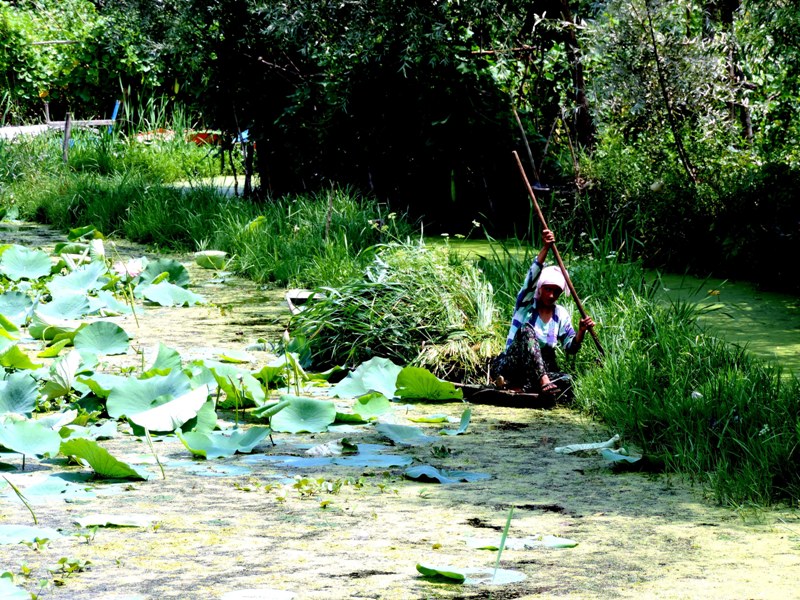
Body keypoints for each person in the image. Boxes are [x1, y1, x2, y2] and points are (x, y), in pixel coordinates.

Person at [491, 228, 594, 399]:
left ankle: (521, 386)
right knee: (526, 331)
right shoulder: (526, 304)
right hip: (512, 365)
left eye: (556, 291)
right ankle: (534, 382)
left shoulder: (560, 314)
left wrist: (581, 331)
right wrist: (545, 248)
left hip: (535, 372)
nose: (551, 295)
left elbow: (571, 348)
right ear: (540, 288)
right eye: (547, 289)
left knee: (568, 380)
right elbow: (530, 280)